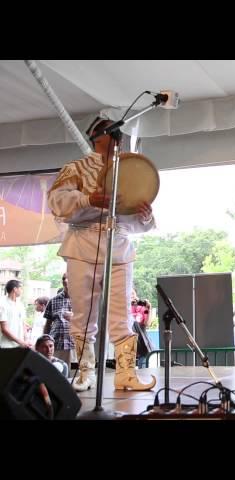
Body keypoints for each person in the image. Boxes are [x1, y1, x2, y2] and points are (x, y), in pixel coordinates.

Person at [47, 116, 156, 392]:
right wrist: (86, 199)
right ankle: (85, 373)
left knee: (122, 315)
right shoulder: (77, 168)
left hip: (118, 246)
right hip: (83, 244)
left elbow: (132, 218)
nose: (118, 136)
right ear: (98, 137)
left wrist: (144, 216)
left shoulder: (127, 169)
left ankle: (125, 373)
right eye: (112, 132)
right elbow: (57, 202)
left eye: (119, 132)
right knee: (83, 315)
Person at [43, 273, 75, 373]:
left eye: (68, 278)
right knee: (56, 373)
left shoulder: (80, 300)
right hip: (57, 344)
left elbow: (87, 321)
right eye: (63, 278)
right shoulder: (53, 301)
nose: (65, 280)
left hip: (74, 345)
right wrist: (45, 341)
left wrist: (73, 317)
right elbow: (48, 324)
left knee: (73, 374)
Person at [0, 279, 30, 349]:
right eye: (21, 288)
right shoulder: (2, 304)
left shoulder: (20, 305)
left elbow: (23, 324)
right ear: (15, 289)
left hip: (20, 345)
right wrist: (21, 342)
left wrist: (26, 340)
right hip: (6, 345)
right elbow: (4, 329)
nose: (22, 290)